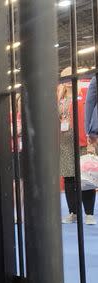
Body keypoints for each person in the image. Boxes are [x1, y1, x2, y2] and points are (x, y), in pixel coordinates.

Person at [58, 67, 95, 224]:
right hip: (65, 144)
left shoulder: (84, 95)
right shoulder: (59, 99)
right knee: (69, 179)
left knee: (87, 179)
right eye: (64, 78)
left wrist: (90, 141)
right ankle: (73, 212)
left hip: (82, 142)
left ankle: (89, 213)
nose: (67, 81)